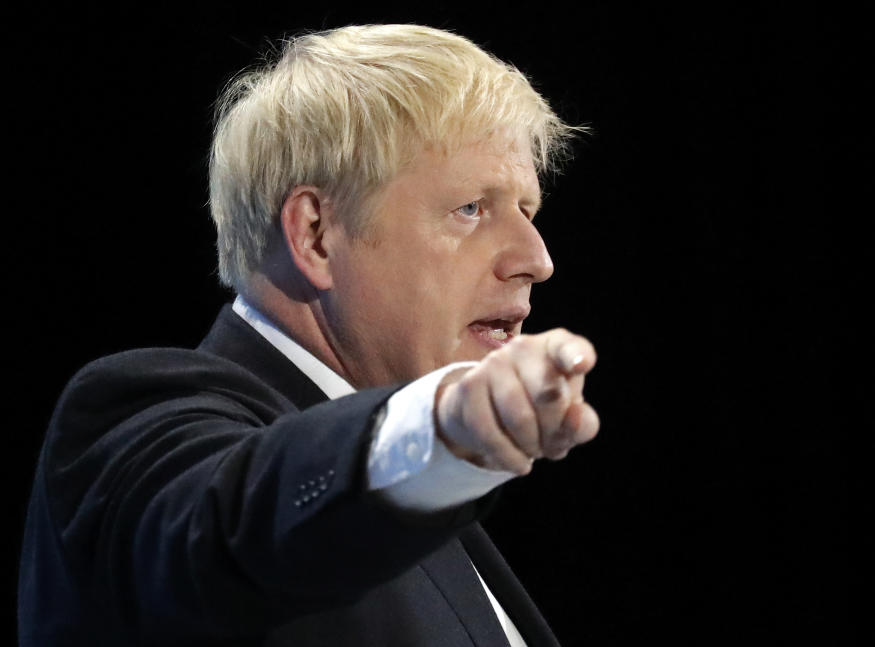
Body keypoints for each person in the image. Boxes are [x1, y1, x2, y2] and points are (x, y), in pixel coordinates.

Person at [18, 24, 599, 646]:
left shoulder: (426, 504)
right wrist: (442, 430)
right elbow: (230, 525)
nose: (536, 258)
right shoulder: (137, 417)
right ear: (317, 234)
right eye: (471, 209)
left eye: (527, 211)